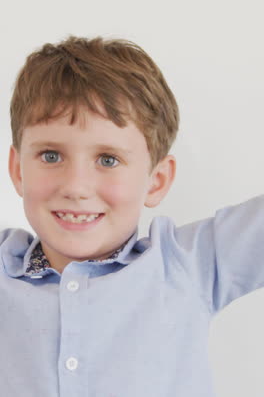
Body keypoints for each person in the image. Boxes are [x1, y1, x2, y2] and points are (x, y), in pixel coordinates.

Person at [1, 35, 263, 397]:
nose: (76, 186)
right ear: (17, 169)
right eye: (50, 156)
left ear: (156, 181)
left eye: (108, 160)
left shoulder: (189, 266)